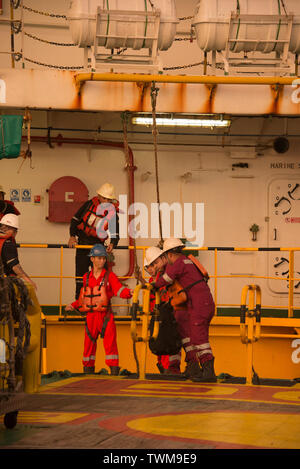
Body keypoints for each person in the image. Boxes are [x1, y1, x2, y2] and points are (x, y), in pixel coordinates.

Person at [152, 238, 216, 382]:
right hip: (204, 303)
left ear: (169, 254)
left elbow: (167, 279)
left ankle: (208, 371)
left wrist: (154, 285)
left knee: (199, 338)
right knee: (194, 336)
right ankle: (195, 369)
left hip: (198, 305)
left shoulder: (178, 263)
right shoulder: (188, 261)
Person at [65, 244, 132, 375]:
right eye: (99, 258)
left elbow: (119, 289)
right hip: (90, 317)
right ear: (92, 259)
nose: (102, 261)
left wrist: (130, 293)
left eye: (103, 258)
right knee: (88, 347)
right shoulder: (86, 277)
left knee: (111, 345)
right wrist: (73, 305)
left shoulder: (110, 276)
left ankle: (114, 373)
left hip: (105, 317)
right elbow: (84, 297)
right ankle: (88, 372)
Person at [68, 182, 120, 299]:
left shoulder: (113, 213)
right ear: (99, 196)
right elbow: (75, 220)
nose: (106, 202)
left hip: (99, 247)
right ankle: (79, 302)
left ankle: (101, 301)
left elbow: (115, 232)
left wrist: (113, 243)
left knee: (102, 276)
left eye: (109, 200)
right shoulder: (88, 205)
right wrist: (72, 236)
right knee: (80, 276)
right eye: (104, 198)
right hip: (82, 245)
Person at [0, 214, 37, 290]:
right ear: (13, 231)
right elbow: (15, 267)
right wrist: (28, 280)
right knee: (28, 293)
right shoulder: (8, 243)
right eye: (16, 231)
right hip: (4, 283)